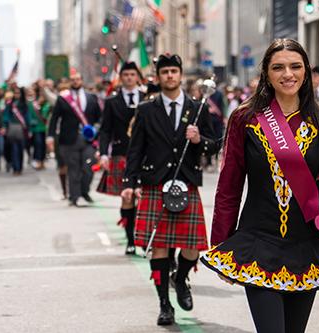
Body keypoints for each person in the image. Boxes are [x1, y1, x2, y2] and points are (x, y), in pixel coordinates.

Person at [200, 39, 319, 333]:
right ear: (266, 73)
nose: (288, 74)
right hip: (258, 244)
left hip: (307, 246)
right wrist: (221, 244)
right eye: (278, 67)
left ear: (306, 72)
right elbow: (229, 187)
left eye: (295, 66)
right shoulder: (245, 119)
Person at [121, 53, 219, 326]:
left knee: (192, 248)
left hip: (185, 182)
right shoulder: (146, 109)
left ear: (180, 74)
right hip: (155, 183)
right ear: (158, 76)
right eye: (164, 72)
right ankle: (165, 304)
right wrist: (129, 184)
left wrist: (200, 140)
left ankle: (180, 277)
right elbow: (135, 150)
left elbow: (215, 143)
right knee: (160, 249)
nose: (170, 76)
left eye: (174, 71)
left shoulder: (197, 108)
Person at [97, 61, 145, 255]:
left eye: (132, 75)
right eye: (125, 75)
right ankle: (130, 240)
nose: (129, 78)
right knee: (127, 198)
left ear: (137, 77)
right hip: (120, 154)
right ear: (121, 77)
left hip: (146, 154)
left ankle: (144, 237)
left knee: (144, 199)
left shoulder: (148, 98)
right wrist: (103, 153)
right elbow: (105, 131)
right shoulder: (111, 102)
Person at [47, 72, 101, 206]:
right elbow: (54, 119)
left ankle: (84, 191)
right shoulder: (63, 99)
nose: (76, 81)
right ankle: (74, 196)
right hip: (69, 139)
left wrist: (97, 131)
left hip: (88, 139)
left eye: (78, 79)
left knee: (89, 167)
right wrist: (50, 136)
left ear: (82, 80)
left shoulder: (92, 98)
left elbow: (100, 118)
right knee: (73, 168)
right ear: (70, 82)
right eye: (73, 80)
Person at [3, 87, 30, 176]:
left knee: (21, 149)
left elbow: (27, 117)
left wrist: (28, 127)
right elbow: (6, 116)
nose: (17, 95)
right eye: (15, 93)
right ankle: (16, 168)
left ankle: (20, 167)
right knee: (14, 149)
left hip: (22, 129)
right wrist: (6, 126)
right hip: (12, 128)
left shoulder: (25, 104)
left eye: (18, 93)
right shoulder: (10, 104)